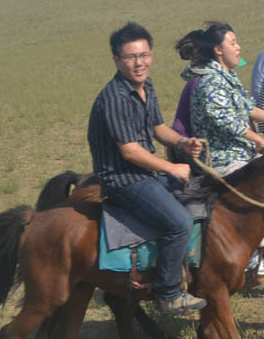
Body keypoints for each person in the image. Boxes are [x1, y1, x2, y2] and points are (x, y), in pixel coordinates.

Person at [87, 21, 207, 316]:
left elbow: (158, 128)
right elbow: (130, 151)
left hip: (146, 173)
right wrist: (171, 167)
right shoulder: (115, 98)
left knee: (203, 196)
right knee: (179, 222)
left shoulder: (145, 86)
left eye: (144, 55)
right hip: (123, 180)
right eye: (130, 57)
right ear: (117, 60)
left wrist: (183, 142)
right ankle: (168, 293)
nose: (139, 63)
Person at [174, 22, 264, 175]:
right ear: (218, 50)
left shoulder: (228, 77)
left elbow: (248, 108)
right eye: (233, 43)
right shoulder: (211, 83)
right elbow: (228, 122)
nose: (238, 47)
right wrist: (259, 140)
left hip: (244, 153)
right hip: (224, 161)